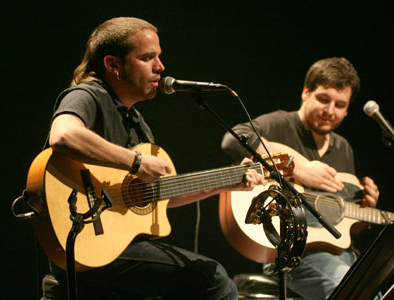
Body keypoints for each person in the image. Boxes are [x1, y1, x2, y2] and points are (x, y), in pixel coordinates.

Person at [44, 17, 265, 299]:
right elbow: (63, 136)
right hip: (87, 246)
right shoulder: (87, 95)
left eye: (158, 57)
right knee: (212, 278)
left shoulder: (137, 123)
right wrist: (136, 162)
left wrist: (226, 183)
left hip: (116, 249)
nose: (160, 67)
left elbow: (160, 195)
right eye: (148, 58)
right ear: (113, 65)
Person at [221, 57, 380, 300]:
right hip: (291, 254)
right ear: (306, 92)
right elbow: (234, 139)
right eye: (323, 99)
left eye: (339, 105)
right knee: (353, 293)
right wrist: (295, 167)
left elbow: (339, 221)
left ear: (347, 110)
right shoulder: (281, 124)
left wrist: (365, 209)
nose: (329, 111)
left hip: (339, 254)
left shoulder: (343, 148)